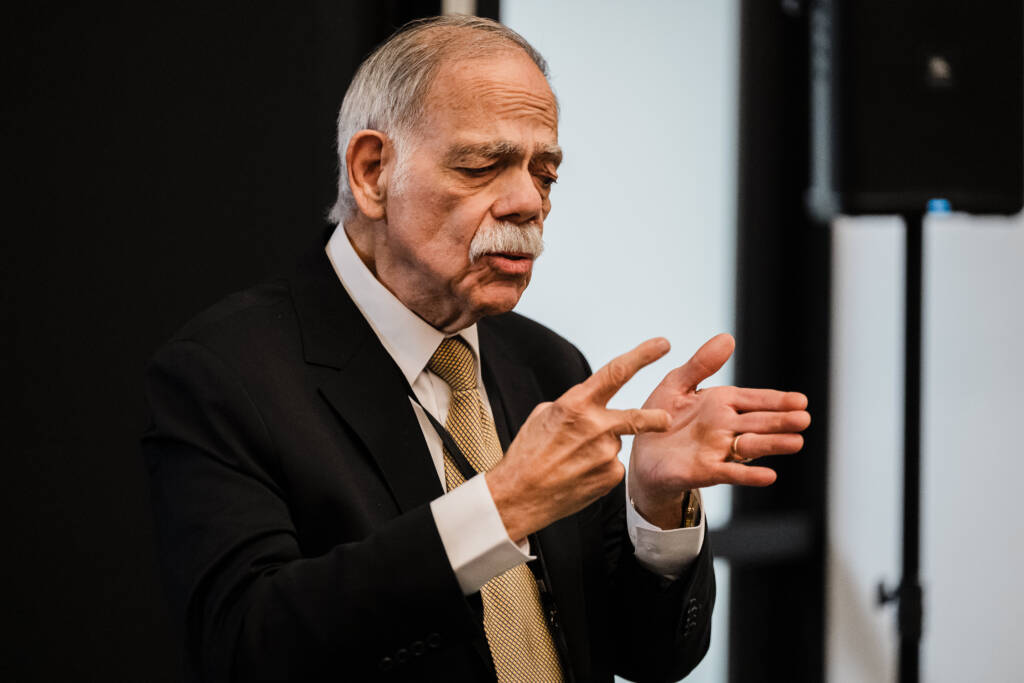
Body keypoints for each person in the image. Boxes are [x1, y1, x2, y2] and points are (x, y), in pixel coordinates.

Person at [142, 15, 810, 683]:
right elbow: (245, 647)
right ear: (372, 172)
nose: (527, 203)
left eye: (545, 174)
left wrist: (654, 504)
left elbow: (649, 657)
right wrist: (502, 506)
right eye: (482, 166)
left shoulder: (549, 364)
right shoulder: (227, 373)